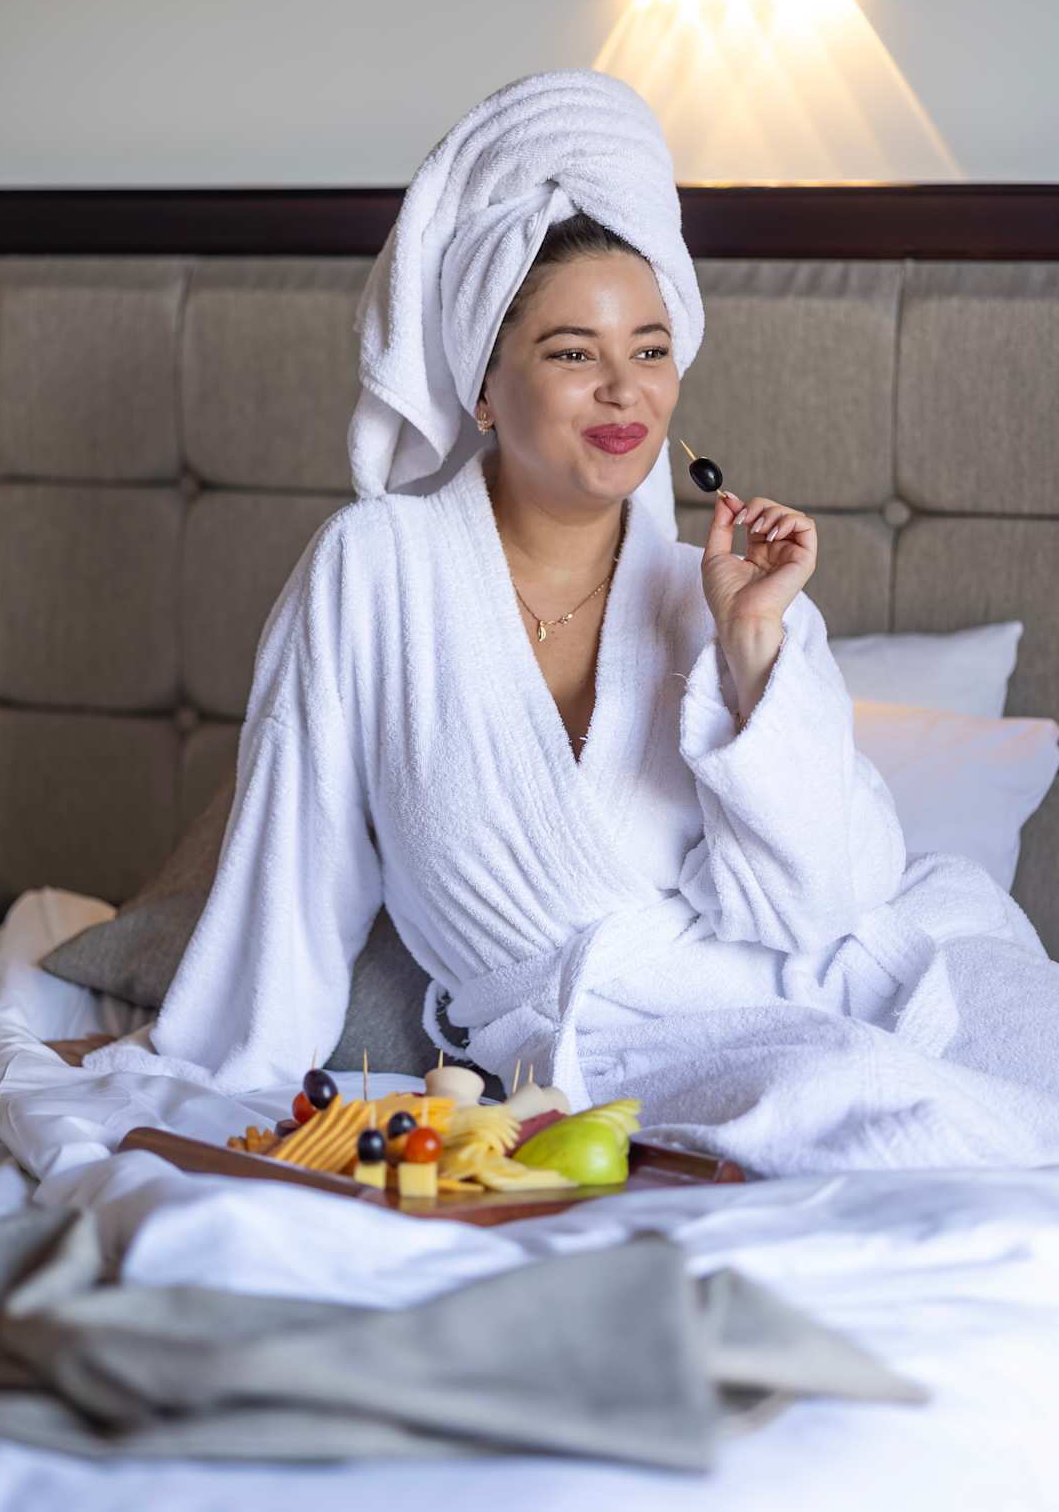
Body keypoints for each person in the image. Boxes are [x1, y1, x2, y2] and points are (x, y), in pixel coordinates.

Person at [65, 74, 1059, 1171]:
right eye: (575, 353)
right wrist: (229, 1081)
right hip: (632, 1054)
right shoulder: (376, 572)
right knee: (876, 1113)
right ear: (486, 390)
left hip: (868, 969)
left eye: (650, 349)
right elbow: (292, 883)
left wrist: (751, 649)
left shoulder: (725, 600)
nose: (625, 391)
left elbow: (825, 902)